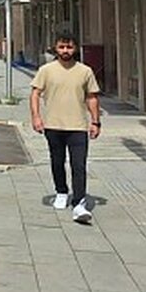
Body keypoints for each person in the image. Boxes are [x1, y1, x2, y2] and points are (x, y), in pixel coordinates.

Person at [30, 34, 101, 223]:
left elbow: (92, 97)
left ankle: (79, 202)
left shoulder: (85, 71)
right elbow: (35, 93)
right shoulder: (46, 70)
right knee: (57, 161)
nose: (65, 51)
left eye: (69, 47)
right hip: (53, 125)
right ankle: (61, 191)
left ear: (75, 49)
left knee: (79, 165)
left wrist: (95, 121)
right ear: (56, 48)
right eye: (61, 47)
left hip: (78, 126)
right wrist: (36, 117)